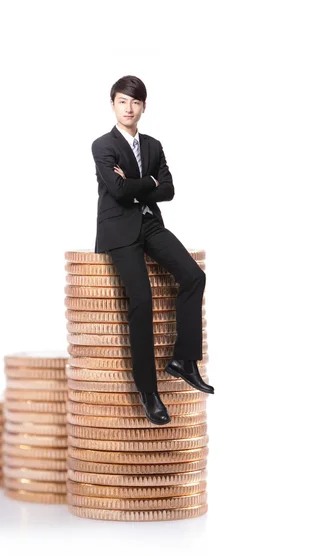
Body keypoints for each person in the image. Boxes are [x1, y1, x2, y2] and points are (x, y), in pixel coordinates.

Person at [91, 75, 214, 426]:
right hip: (119, 229)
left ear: (144, 106)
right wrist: (149, 184)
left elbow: (170, 190)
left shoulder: (154, 145)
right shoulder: (103, 145)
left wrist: (136, 187)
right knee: (142, 300)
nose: (129, 108)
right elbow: (116, 192)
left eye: (135, 102)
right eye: (122, 101)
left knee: (194, 276)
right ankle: (149, 391)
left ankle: (184, 361)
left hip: (150, 224)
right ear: (113, 104)